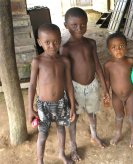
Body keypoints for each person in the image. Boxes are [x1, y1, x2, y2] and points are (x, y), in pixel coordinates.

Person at [60, 7, 110, 161]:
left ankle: (94, 135)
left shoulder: (91, 43)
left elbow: (97, 65)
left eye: (83, 24)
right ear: (66, 25)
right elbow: (65, 74)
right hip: (75, 88)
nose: (79, 28)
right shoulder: (65, 48)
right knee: (73, 118)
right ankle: (73, 146)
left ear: (87, 24)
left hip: (92, 85)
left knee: (91, 112)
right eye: (74, 25)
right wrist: (69, 96)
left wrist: (105, 87)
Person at [28, 23, 75, 164]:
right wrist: (30, 108)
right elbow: (31, 85)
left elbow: (68, 84)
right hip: (43, 106)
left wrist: (72, 105)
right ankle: (40, 160)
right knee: (42, 134)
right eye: (47, 42)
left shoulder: (64, 61)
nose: (52, 46)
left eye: (55, 42)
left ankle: (61, 154)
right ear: (39, 42)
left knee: (61, 129)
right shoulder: (38, 61)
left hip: (61, 102)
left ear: (60, 40)